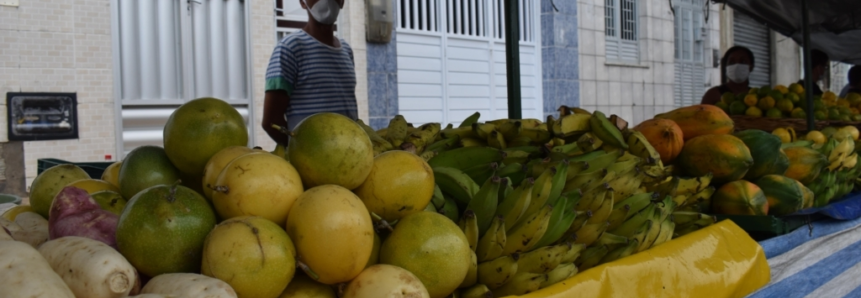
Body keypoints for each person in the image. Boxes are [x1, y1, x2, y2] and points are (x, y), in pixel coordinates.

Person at [262, 0, 357, 145]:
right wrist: (301, 150)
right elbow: (271, 122)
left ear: (343, 2)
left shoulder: (346, 51)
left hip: (352, 155)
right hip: (311, 161)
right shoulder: (290, 49)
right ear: (302, 2)